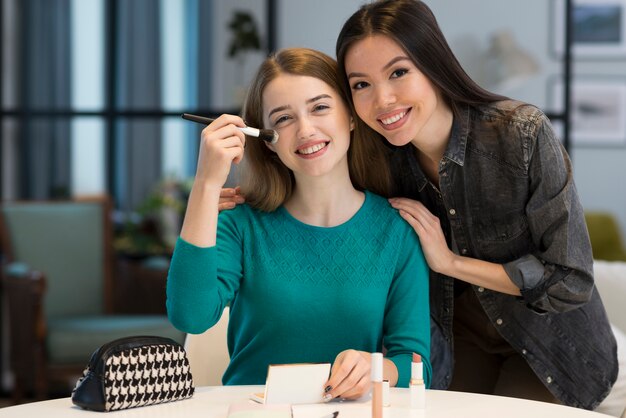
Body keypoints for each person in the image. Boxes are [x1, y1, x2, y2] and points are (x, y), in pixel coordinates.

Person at [331, 0, 617, 410]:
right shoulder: (374, 161)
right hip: (457, 340)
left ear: (433, 64)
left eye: (398, 72)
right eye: (361, 84)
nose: (383, 100)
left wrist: (449, 262)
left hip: (553, 345)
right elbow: (312, 186)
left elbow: (571, 281)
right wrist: (249, 199)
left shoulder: (521, 134)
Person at [166, 47, 431, 400]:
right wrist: (205, 185)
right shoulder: (241, 224)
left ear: (351, 116)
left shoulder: (397, 231)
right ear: (269, 141)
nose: (306, 130)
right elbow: (190, 317)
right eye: (284, 119)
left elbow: (415, 363)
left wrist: (375, 368)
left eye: (320, 107)